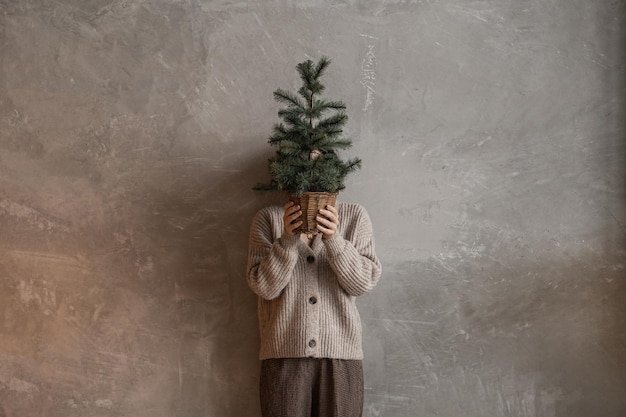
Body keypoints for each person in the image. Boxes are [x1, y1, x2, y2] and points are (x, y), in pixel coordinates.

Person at [246, 199, 382, 417]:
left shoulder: (354, 216)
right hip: (283, 356)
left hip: (342, 356)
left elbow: (362, 284)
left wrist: (334, 240)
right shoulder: (269, 218)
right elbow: (264, 287)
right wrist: (287, 240)